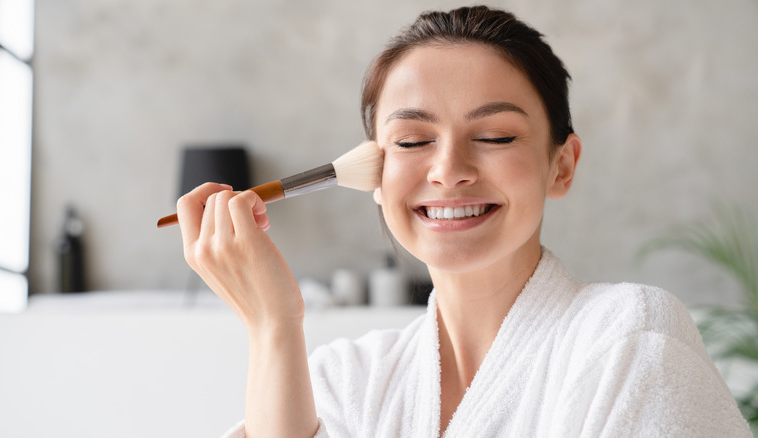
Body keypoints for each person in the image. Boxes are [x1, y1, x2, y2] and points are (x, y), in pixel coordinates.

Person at [176, 6, 750, 438]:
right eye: (412, 140)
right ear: (374, 173)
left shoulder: (628, 340)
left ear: (562, 165)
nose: (448, 171)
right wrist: (274, 326)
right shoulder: (344, 382)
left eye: (496, 136)